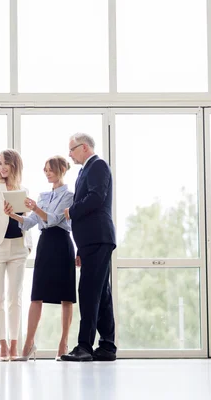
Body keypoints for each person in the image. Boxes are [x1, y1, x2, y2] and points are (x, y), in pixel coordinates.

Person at [4, 156, 75, 362]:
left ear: (61, 169)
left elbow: (53, 219)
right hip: (45, 244)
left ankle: (63, 343)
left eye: (50, 169)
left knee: (66, 296)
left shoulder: (70, 196)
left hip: (61, 243)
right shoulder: (43, 195)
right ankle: (28, 345)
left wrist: (35, 208)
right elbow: (29, 223)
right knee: (37, 295)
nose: (47, 173)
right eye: (45, 170)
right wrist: (14, 215)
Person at [61, 133, 117, 362]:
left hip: (98, 237)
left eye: (72, 149)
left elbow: (96, 197)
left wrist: (72, 211)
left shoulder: (98, 165)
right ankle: (107, 346)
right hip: (90, 241)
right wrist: (80, 248)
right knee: (101, 294)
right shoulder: (84, 170)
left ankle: (84, 346)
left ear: (84, 147)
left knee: (88, 292)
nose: (70, 154)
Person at [0, 149, 32, 361]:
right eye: (0, 163)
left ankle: (14, 345)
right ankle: (2, 344)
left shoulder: (24, 189)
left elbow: (27, 221)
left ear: (15, 166)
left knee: (15, 298)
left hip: (19, 247)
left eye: (6, 163)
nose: (2, 167)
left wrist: (28, 245)